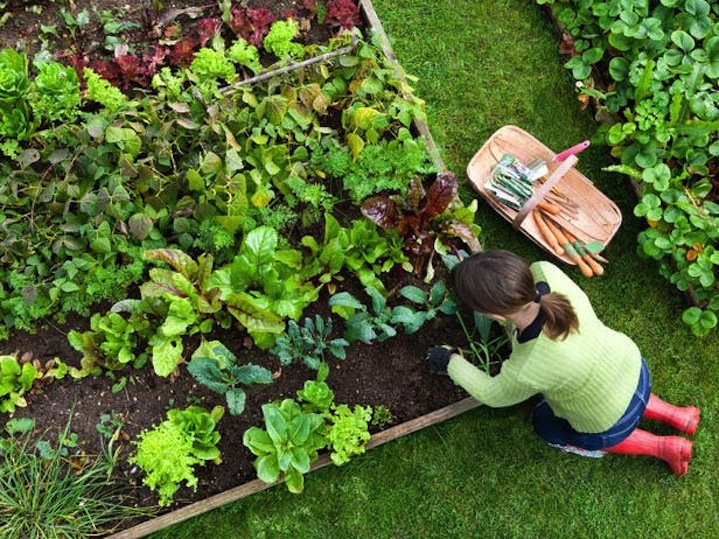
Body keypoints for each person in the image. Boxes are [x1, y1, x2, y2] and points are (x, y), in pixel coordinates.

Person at [427, 249, 700, 476]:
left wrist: (450, 360)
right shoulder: (547, 273)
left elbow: (493, 394)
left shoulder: (528, 366)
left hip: (606, 419)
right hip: (633, 368)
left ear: (494, 315)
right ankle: (678, 415)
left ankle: (664, 447)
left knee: (545, 424)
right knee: (617, 391)